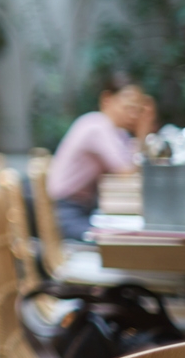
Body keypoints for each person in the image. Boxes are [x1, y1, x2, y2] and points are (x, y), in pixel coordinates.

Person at [47, 72, 156, 240]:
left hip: (81, 209)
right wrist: (143, 132)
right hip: (65, 213)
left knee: (125, 236)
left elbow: (132, 161)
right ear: (107, 99)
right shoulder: (97, 126)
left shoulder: (117, 133)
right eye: (128, 107)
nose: (133, 115)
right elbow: (126, 171)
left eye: (138, 110)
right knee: (116, 242)